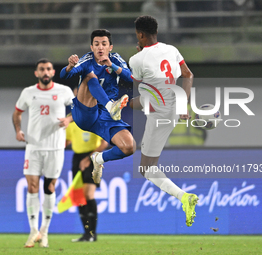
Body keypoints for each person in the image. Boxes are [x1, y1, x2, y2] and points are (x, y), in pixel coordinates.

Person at [129, 16, 198, 227]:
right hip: (171, 106)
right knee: (128, 103)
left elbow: (135, 87)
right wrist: (183, 104)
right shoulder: (171, 49)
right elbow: (188, 74)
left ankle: (184, 197)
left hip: (159, 112)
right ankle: (183, 197)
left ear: (140, 34)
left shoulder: (137, 59)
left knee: (146, 169)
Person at [60, 29, 135, 184]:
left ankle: (98, 158)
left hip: (106, 117)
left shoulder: (115, 59)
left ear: (110, 47)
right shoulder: (87, 60)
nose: (100, 47)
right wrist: (69, 66)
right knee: (89, 77)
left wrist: (112, 66)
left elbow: (130, 77)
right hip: (86, 113)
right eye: (96, 44)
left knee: (129, 147)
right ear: (91, 47)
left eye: (104, 44)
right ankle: (110, 106)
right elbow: (64, 75)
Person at [12, 58, 74, 248]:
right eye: (42, 69)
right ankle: (33, 231)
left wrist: (69, 119)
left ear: (53, 73)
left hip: (55, 147)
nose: (45, 72)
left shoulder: (64, 91)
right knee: (31, 187)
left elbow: (80, 110)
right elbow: (17, 113)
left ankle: (44, 231)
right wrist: (18, 130)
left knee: (49, 188)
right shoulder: (28, 92)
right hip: (33, 146)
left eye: (48, 69)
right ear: (36, 73)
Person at [66, 89, 108, 242]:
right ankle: (86, 234)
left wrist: (89, 158)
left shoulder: (96, 116)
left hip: (93, 157)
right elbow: (67, 140)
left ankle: (92, 234)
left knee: (88, 195)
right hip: (77, 158)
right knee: (79, 197)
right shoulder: (71, 119)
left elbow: (105, 142)